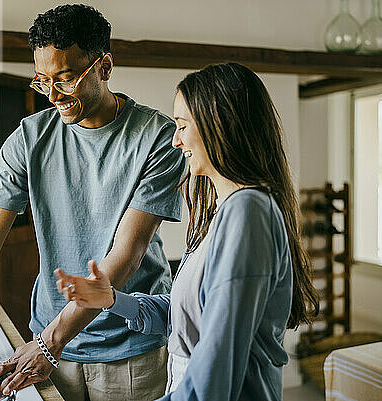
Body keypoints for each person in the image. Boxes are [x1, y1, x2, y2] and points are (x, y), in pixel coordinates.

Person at [0, 4, 185, 401]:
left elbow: (126, 256)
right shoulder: (28, 139)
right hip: (52, 345)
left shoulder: (157, 137)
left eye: (66, 78)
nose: (53, 95)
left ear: (104, 67)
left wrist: (48, 343)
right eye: (42, 81)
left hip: (131, 349)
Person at [56, 62, 320, 400]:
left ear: (218, 126)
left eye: (181, 126)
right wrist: (111, 299)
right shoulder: (225, 211)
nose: (176, 141)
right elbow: (190, 314)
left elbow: (217, 359)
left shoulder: (248, 212)